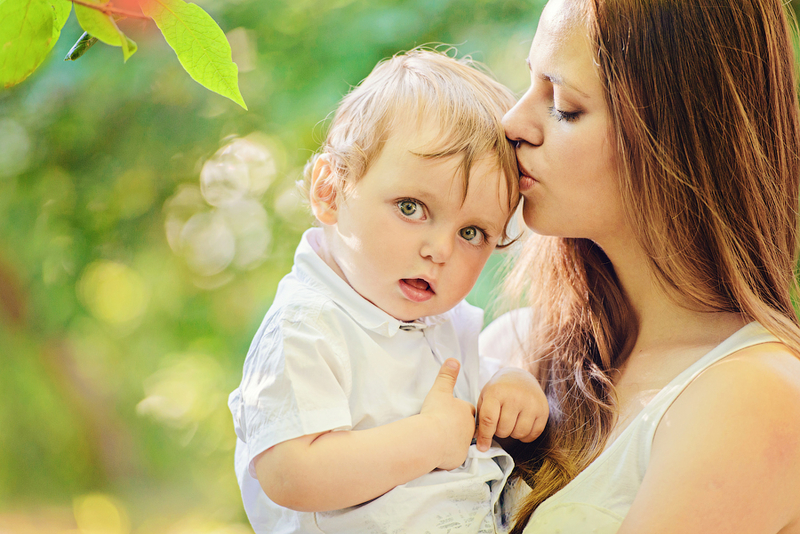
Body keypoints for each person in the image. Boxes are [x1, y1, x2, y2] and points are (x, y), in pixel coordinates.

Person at [480, 0, 800, 532]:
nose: (513, 123)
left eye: (563, 105)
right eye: (530, 81)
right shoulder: (513, 350)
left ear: (680, 137)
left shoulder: (755, 398)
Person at [227, 49, 549, 534]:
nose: (440, 250)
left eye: (471, 233)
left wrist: (505, 385)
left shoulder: (439, 324)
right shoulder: (306, 327)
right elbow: (289, 473)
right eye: (411, 207)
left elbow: (455, 391)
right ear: (330, 191)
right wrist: (429, 438)